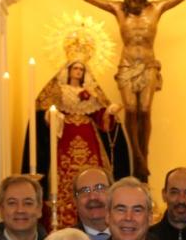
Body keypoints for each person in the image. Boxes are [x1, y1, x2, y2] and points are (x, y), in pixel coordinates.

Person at [54, 0, 186, 179]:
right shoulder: (118, 10)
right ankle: (137, 156)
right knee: (131, 108)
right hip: (127, 65)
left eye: (133, 0)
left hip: (148, 65)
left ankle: (144, 153)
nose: (129, 4)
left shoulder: (156, 9)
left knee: (144, 110)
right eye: (127, 0)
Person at [27, 59, 132, 229]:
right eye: (75, 68)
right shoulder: (59, 91)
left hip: (89, 139)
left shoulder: (91, 93)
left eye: (81, 69)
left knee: (95, 177)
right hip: (66, 140)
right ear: (68, 71)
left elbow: (102, 122)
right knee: (63, 181)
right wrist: (53, 117)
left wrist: (109, 113)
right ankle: (60, 221)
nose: (78, 72)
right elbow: (47, 115)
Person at [73, 167, 113, 240]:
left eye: (100, 188)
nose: (92, 197)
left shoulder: (133, 237)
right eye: (84, 190)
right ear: (75, 201)